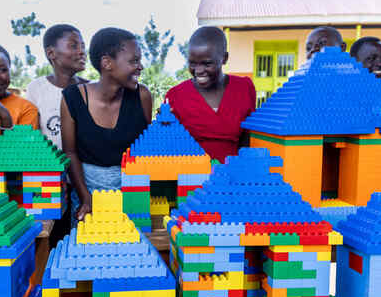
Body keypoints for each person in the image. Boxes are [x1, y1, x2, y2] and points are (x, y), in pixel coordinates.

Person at [61, 28, 152, 224]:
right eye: (133, 61)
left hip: (131, 195)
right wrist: (86, 198)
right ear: (107, 63)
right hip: (87, 194)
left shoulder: (142, 96)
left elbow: (146, 151)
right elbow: (70, 153)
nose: (140, 67)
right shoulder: (73, 98)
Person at [165, 26, 256, 163]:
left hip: (234, 176)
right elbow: (168, 147)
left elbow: (248, 140)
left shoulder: (244, 88)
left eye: (207, 63)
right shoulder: (175, 96)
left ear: (224, 58)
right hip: (189, 178)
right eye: (192, 63)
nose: (198, 70)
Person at [26, 24, 88, 149]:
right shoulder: (36, 88)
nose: (82, 51)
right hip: (50, 164)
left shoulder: (90, 88)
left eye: (83, 46)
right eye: (73, 46)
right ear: (51, 53)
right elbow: (33, 134)